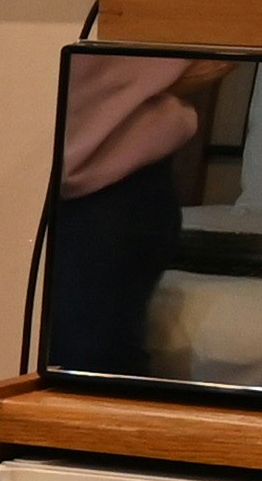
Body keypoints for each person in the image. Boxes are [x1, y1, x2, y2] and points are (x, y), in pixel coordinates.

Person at [39, 48, 229, 376]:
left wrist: (144, 82)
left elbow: (243, 32)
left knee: (88, 376)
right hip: (16, 174)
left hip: (110, 184)